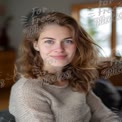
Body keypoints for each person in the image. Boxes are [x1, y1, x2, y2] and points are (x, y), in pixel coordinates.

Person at [9, 7, 120, 122]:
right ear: (36, 45)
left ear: (77, 45)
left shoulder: (76, 79)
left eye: (68, 41)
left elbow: (106, 116)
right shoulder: (27, 90)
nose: (59, 49)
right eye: (49, 41)